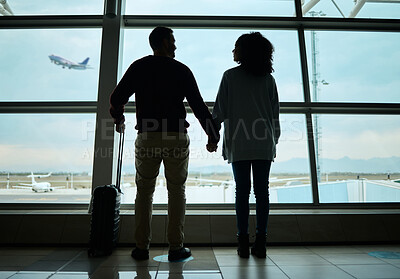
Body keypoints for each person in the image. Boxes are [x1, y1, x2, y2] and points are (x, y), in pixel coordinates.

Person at [110, 26, 219, 261]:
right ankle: (176, 246)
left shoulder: (139, 67)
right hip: (175, 136)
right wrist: (212, 135)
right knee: (177, 190)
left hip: (148, 135)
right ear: (160, 43)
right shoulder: (181, 70)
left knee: (144, 191)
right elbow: (198, 106)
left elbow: (117, 97)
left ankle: (141, 247)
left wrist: (118, 117)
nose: (176, 45)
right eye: (172, 41)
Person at [209, 32, 280, 258]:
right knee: (262, 193)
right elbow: (274, 115)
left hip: (239, 143)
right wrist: (273, 140)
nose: (233, 51)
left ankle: (242, 242)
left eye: (236, 47)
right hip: (263, 143)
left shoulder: (230, 77)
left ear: (244, 52)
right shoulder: (268, 80)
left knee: (242, 192)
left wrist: (213, 136)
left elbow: (220, 111)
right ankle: (261, 242)